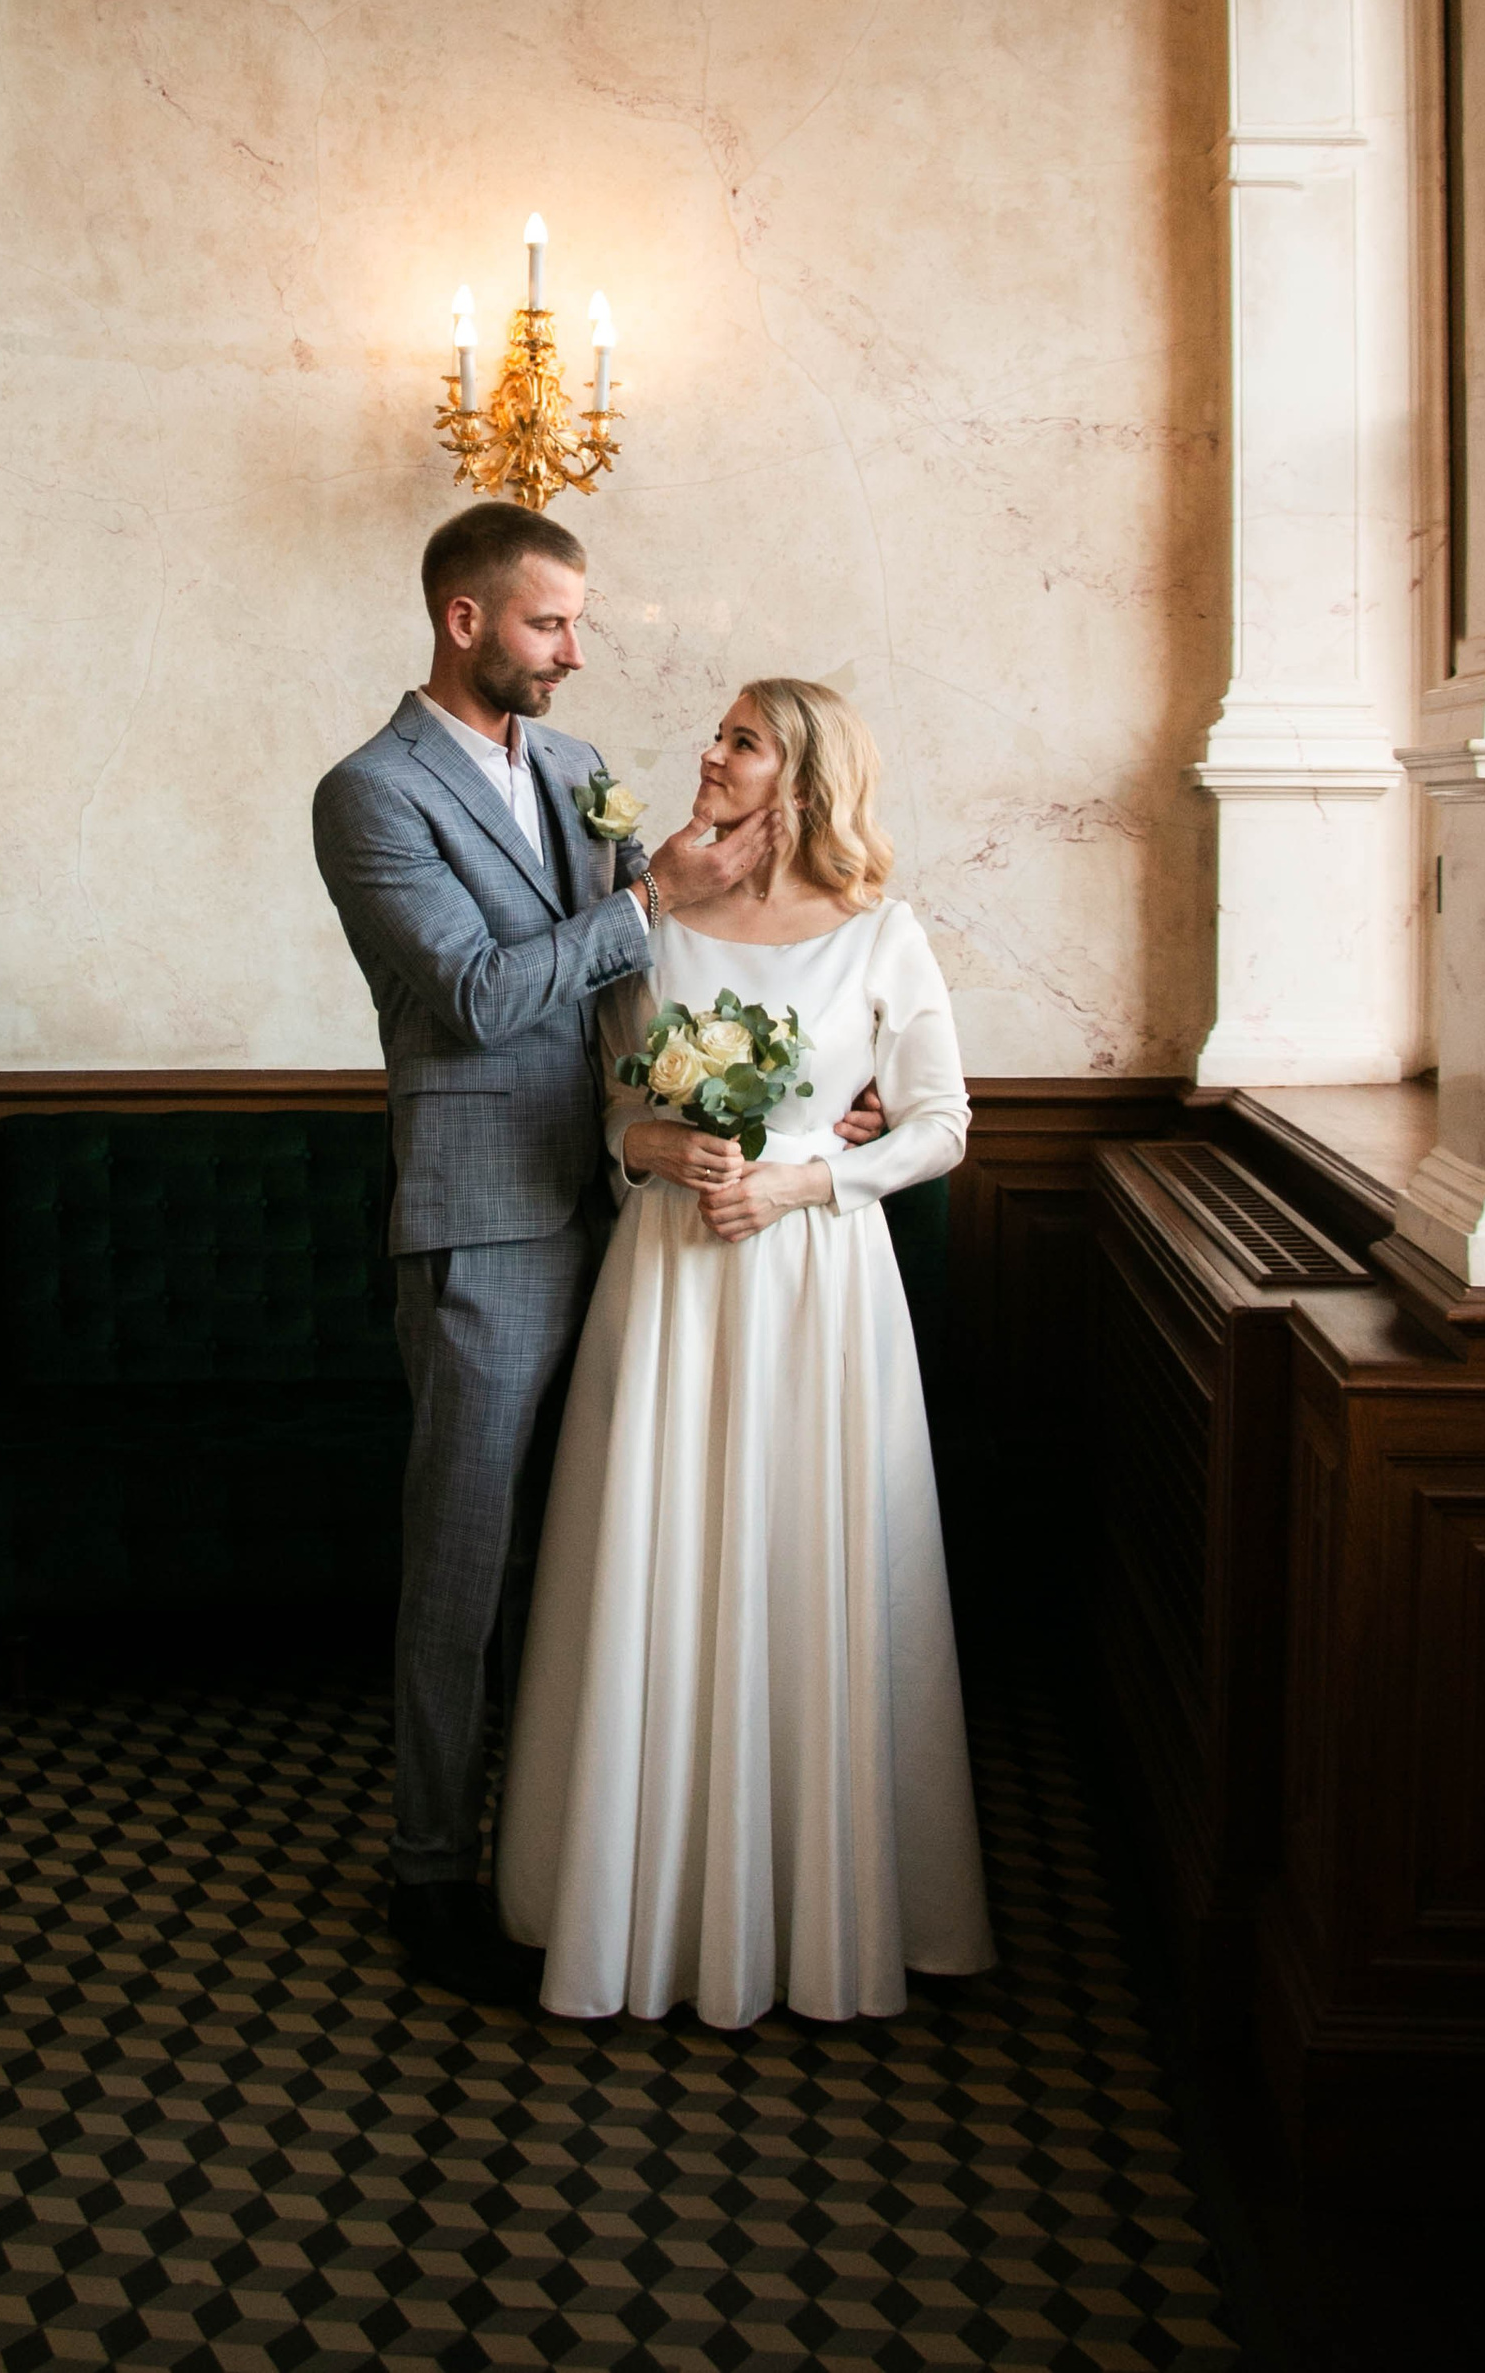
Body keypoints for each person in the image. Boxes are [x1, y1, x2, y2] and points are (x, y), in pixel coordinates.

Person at [312, 511, 882, 2006]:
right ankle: (432, 1868)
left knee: (602, 1550)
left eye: (576, 621)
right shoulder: (370, 793)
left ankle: (581, 1860)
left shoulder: (578, 770)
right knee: (468, 1559)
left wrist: (835, 1089)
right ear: (465, 621)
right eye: (550, 624)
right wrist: (647, 898)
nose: (577, 651)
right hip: (487, 1216)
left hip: (639, 1221)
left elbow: (674, 974)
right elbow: (479, 995)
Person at [495, 678, 996, 2026]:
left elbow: (940, 1124)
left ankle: (823, 1907)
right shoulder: (652, 925)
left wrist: (804, 1184)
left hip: (818, 1283)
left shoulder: (882, 934)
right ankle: (632, 1908)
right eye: (716, 735)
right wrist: (650, 1144)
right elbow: (609, 1104)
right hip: (669, 1279)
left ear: (805, 778)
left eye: (741, 741)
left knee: (809, 1547)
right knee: (653, 1550)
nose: (709, 754)